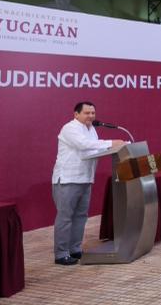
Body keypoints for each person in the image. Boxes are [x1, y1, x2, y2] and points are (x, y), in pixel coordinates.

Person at [51, 102, 125, 265]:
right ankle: (61, 253)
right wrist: (111, 143)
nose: (91, 116)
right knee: (65, 217)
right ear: (76, 114)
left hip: (85, 178)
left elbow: (95, 149)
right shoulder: (70, 128)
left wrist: (119, 146)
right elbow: (83, 145)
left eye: (93, 113)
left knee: (81, 216)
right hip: (68, 179)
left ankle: (75, 249)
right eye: (87, 113)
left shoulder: (91, 129)